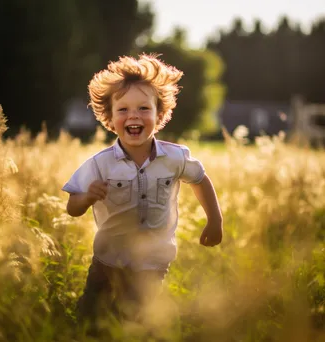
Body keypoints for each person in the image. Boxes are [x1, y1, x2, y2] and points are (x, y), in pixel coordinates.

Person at [62, 54, 223, 329]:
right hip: (107, 260)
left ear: (159, 115)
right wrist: (87, 197)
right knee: (90, 318)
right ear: (110, 119)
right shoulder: (100, 164)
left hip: (152, 261)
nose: (133, 115)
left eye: (143, 108)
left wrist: (215, 220)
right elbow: (72, 207)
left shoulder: (175, 158)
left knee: (136, 319)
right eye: (123, 110)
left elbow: (200, 179)